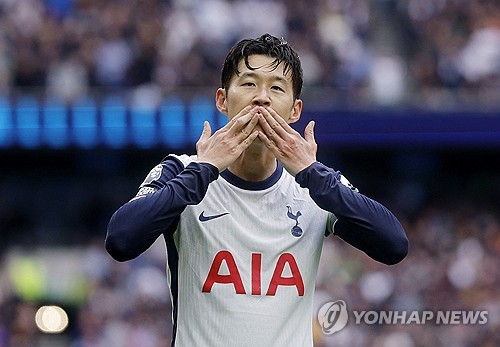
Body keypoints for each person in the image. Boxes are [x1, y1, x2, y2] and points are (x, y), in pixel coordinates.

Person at [105, 33, 408, 346]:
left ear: (295, 110)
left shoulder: (316, 184)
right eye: (249, 84)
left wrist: (313, 174)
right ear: (222, 99)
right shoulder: (182, 171)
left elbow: (394, 245)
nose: (261, 98)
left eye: (276, 88)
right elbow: (120, 240)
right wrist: (203, 171)